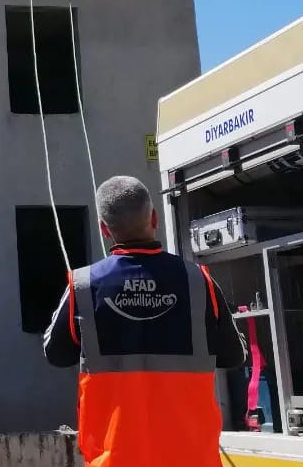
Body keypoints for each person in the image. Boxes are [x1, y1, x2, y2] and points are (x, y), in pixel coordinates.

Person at [42, 175, 247, 467]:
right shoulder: (198, 281)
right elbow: (234, 355)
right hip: (191, 459)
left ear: (104, 229)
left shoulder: (83, 285)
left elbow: (55, 352)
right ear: (154, 217)